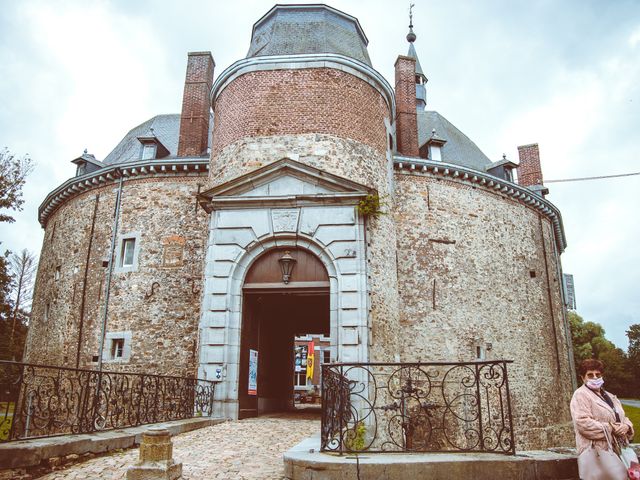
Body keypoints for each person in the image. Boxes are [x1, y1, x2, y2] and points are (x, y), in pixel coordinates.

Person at [570, 358, 636, 479]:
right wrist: (611, 428)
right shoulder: (580, 395)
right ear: (582, 378)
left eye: (598, 374)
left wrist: (626, 426)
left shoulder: (610, 396)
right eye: (590, 375)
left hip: (620, 449)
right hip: (597, 452)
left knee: (632, 476)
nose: (595, 378)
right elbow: (583, 423)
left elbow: (622, 417)